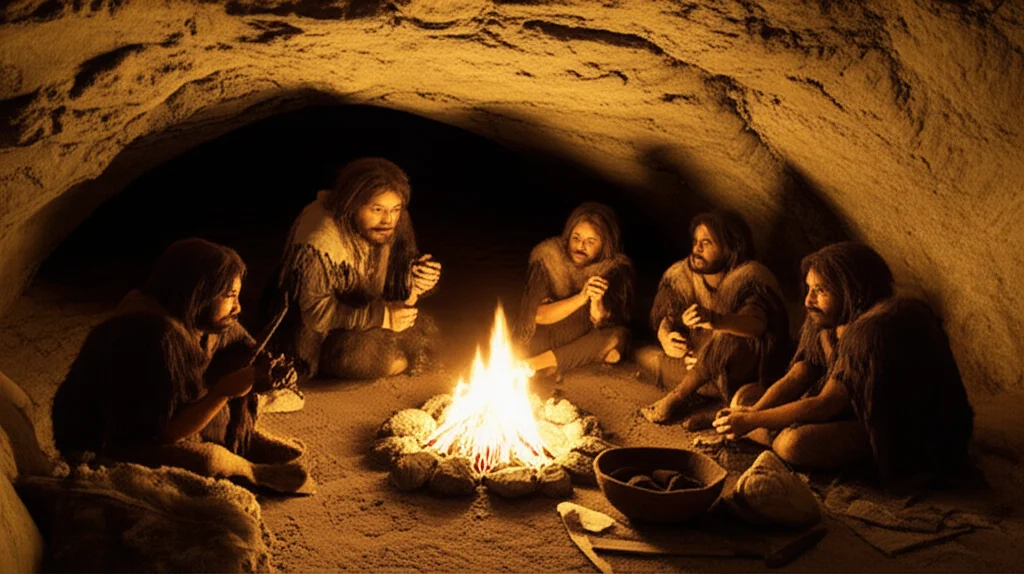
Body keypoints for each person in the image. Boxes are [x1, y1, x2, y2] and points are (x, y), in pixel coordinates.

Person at [51, 238, 313, 495]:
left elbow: (246, 352)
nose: (238, 307)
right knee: (207, 461)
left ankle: (240, 439)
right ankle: (247, 468)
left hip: (169, 424)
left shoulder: (201, 318)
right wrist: (223, 392)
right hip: (113, 444)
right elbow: (166, 432)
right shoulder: (150, 337)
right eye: (230, 296)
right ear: (199, 292)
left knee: (234, 360)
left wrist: (270, 369)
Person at [713, 242, 974, 480]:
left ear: (854, 291)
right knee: (744, 400)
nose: (808, 300)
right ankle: (766, 427)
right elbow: (798, 375)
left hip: (893, 425)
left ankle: (781, 436)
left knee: (791, 444)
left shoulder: (873, 330)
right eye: (809, 288)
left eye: (820, 290)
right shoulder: (828, 315)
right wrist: (754, 412)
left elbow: (826, 404)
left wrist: (751, 422)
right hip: (847, 407)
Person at [264, 157, 442, 386]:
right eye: (377, 209)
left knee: (426, 330)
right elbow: (315, 313)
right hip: (316, 333)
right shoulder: (319, 239)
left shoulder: (393, 222)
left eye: (395, 209)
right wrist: (384, 317)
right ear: (352, 205)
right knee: (381, 360)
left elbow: (397, 277)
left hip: (364, 314)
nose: (388, 220)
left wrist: (419, 280)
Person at [638, 210, 790, 424]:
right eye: (696, 241)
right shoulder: (683, 274)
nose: (696, 249)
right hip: (694, 368)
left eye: (706, 243)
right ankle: (709, 400)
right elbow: (668, 315)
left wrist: (716, 320)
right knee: (644, 356)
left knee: (729, 338)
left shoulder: (750, 276)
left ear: (730, 247)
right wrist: (666, 336)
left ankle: (678, 397)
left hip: (737, 373)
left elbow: (756, 325)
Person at [513, 202, 634, 380]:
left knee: (618, 337)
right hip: (540, 338)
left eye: (590, 242)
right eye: (576, 238)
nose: (580, 246)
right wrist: (581, 297)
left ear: (604, 244)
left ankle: (533, 365)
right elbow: (538, 316)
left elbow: (603, 321)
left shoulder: (614, 269)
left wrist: (596, 301)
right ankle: (545, 363)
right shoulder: (548, 259)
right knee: (611, 348)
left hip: (578, 338)